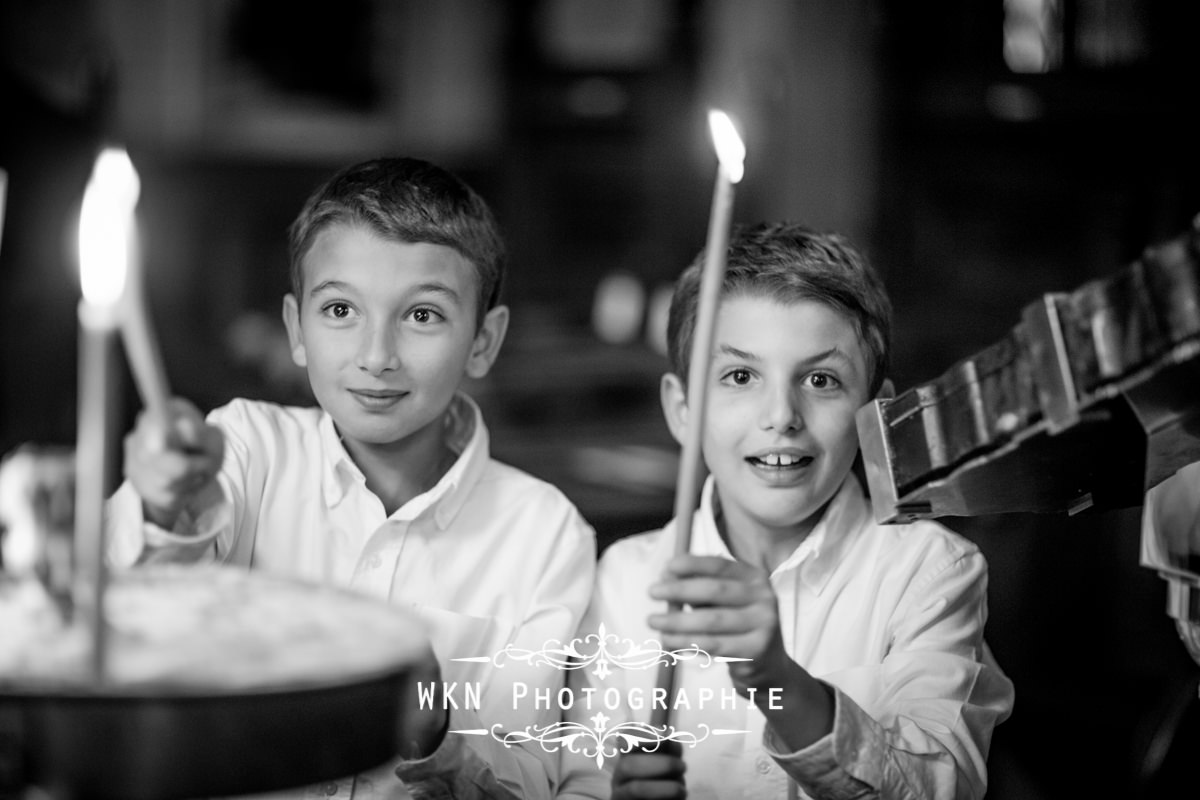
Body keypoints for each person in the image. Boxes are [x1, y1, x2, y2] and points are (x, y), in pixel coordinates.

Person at [106, 156, 597, 799]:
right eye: (340, 310)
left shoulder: (543, 532)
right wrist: (163, 508)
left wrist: (438, 737)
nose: (375, 356)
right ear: (296, 330)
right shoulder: (247, 449)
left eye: (422, 315)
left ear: (483, 340)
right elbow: (122, 615)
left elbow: (536, 775)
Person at [557, 222, 1014, 799]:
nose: (782, 415)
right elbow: (581, 781)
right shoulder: (627, 580)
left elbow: (938, 788)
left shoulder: (930, 572)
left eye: (821, 379)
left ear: (875, 414)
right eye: (740, 376)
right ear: (682, 408)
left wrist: (784, 685)